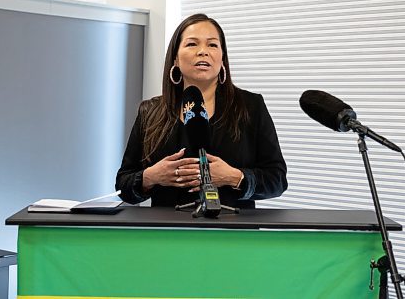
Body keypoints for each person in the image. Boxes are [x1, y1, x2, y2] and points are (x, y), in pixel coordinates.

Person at [116, 14, 287, 209]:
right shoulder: (150, 111)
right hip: (168, 233)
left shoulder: (251, 106)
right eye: (192, 44)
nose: (203, 52)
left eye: (212, 45)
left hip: (232, 233)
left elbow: (277, 180)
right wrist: (150, 177)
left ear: (222, 59)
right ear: (176, 59)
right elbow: (123, 185)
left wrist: (234, 177)